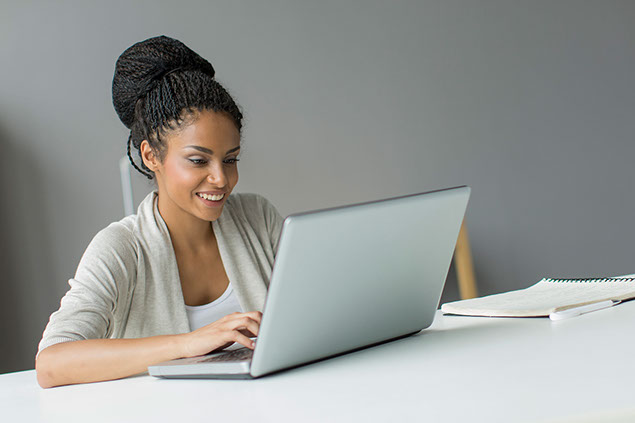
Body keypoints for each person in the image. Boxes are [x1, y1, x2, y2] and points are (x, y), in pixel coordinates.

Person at [35, 35, 284, 388]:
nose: (221, 178)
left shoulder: (258, 217)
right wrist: (188, 344)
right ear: (152, 156)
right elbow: (51, 364)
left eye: (230, 160)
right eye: (198, 160)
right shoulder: (120, 247)